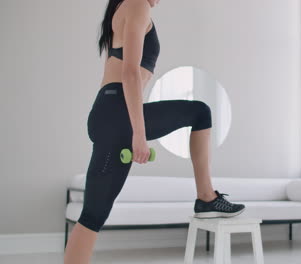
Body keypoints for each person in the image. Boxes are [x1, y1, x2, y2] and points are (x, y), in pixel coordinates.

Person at [64, 0, 245, 262]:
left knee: (92, 216)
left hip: (108, 112)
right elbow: (130, 73)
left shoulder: (123, 7)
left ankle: (206, 198)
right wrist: (139, 134)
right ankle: (206, 197)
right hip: (117, 113)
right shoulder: (137, 4)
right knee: (200, 112)